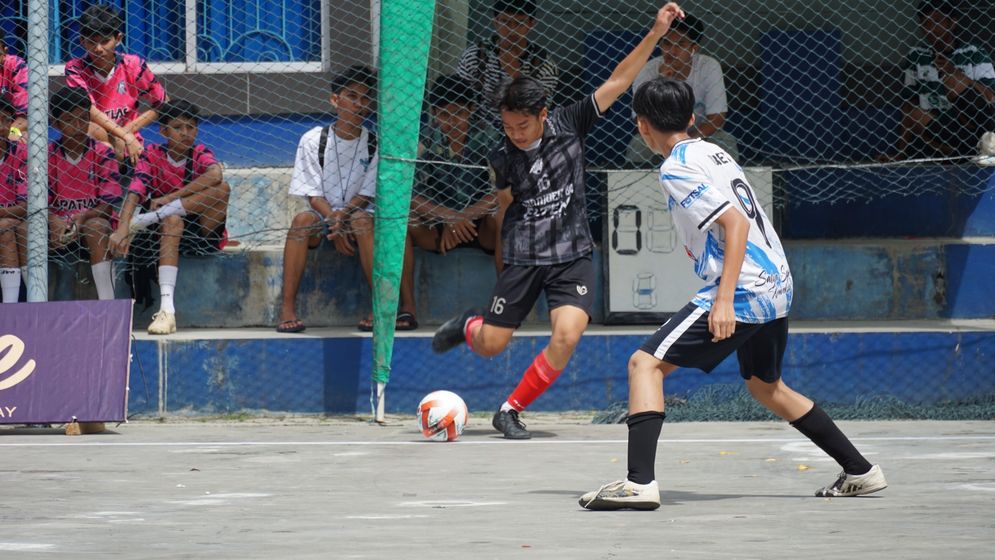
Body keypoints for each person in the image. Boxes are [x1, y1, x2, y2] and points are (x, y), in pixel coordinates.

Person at [578, 77, 887, 511]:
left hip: (746, 288)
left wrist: (724, 299)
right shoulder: (712, 150)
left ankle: (638, 483)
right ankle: (860, 471)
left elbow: (735, 224)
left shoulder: (676, 167)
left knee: (643, 364)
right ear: (691, 118)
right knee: (766, 387)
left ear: (641, 126)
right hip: (776, 281)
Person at [433, 4, 688, 439]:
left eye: (523, 124)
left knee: (568, 335)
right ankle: (471, 325)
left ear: (544, 113)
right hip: (525, 257)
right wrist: (503, 269)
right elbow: (504, 209)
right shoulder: (502, 158)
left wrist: (656, 33)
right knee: (492, 345)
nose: (515, 132)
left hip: (571, 255)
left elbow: (620, 80)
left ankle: (509, 410)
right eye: (508, 125)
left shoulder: (571, 123)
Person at [276, 65, 417, 334]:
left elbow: (366, 195)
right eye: (352, 96)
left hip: (358, 215)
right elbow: (313, 194)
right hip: (323, 215)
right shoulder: (313, 139)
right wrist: (332, 219)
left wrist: (343, 218)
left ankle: (379, 306)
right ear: (335, 100)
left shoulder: (376, 142)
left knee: (363, 220)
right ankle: (287, 309)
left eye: (365, 98)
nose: (359, 104)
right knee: (300, 221)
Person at [110, 100, 231, 335]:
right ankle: (167, 310)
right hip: (163, 234)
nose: (185, 133)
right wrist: (123, 227)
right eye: (178, 127)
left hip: (200, 231)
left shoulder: (200, 153)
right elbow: (135, 191)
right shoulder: (153, 155)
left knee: (223, 188)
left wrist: (171, 200)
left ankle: (160, 214)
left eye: (191, 127)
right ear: (163, 131)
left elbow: (215, 174)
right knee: (173, 220)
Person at [883, 0, 995, 161]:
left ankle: (989, 144)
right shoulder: (917, 56)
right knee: (912, 111)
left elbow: (990, 97)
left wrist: (955, 73)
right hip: (948, 134)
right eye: (926, 24)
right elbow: (909, 109)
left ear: (952, 22)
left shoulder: (974, 51)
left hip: (980, 126)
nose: (931, 29)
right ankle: (972, 151)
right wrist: (901, 153)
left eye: (937, 21)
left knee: (952, 82)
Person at [410, 75, 500, 270]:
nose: (453, 122)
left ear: (471, 109)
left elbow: (501, 191)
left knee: (502, 215)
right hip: (439, 226)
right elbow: (410, 194)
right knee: (404, 218)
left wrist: (463, 216)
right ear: (433, 113)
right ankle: (408, 300)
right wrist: (448, 216)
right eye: (444, 115)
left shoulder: (487, 135)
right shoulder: (426, 139)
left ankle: (508, 296)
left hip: (481, 224)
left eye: (459, 113)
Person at [626, 12, 738, 165]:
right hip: (659, 134)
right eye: (666, 44)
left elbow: (717, 118)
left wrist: (686, 143)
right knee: (638, 144)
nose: (672, 51)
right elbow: (639, 118)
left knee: (725, 141)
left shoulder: (708, 67)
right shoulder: (648, 71)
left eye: (680, 44)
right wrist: (661, 81)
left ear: (694, 48)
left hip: (700, 133)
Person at [64, 3, 168, 164]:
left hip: (129, 141)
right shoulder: (75, 69)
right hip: (93, 140)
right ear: (82, 41)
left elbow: (162, 102)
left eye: (105, 41)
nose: (98, 49)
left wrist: (127, 132)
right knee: (92, 129)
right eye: (92, 42)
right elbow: (87, 109)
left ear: (118, 38)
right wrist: (122, 135)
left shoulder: (133, 65)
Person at [47, 87, 122, 301]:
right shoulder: (48, 155)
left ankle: (108, 302)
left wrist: (82, 217)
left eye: (83, 119)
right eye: (70, 120)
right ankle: (34, 303)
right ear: (57, 124)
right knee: (27, 230)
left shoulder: (103, 152)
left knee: (96, 226)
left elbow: (107, 205)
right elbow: (40, 203)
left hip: (91, 222)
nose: (78, 126)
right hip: (59, 226)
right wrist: (53, 220)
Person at [456, 0, 558, 126]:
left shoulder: (543, 64)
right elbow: (459, 103)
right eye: (505, 22)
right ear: (496, 21)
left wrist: (515, 75)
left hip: (523, 132)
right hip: (478, 133)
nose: (512, 30)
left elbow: (540, 112)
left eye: (520, 23)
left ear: (531, 24)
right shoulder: (475, 57)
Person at [0, 97, 27, 303]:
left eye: (5, 121)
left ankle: (11, 308)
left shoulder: (22, 152)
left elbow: (26, 207)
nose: (0, 127)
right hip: (8, 219)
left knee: (9, 227)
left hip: (13, 222)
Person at [0, 29, 28, 139]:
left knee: (23, 137)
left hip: (12, 127)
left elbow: (24, 117)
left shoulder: (16, 66)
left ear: (5, 51)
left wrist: (9, 138)